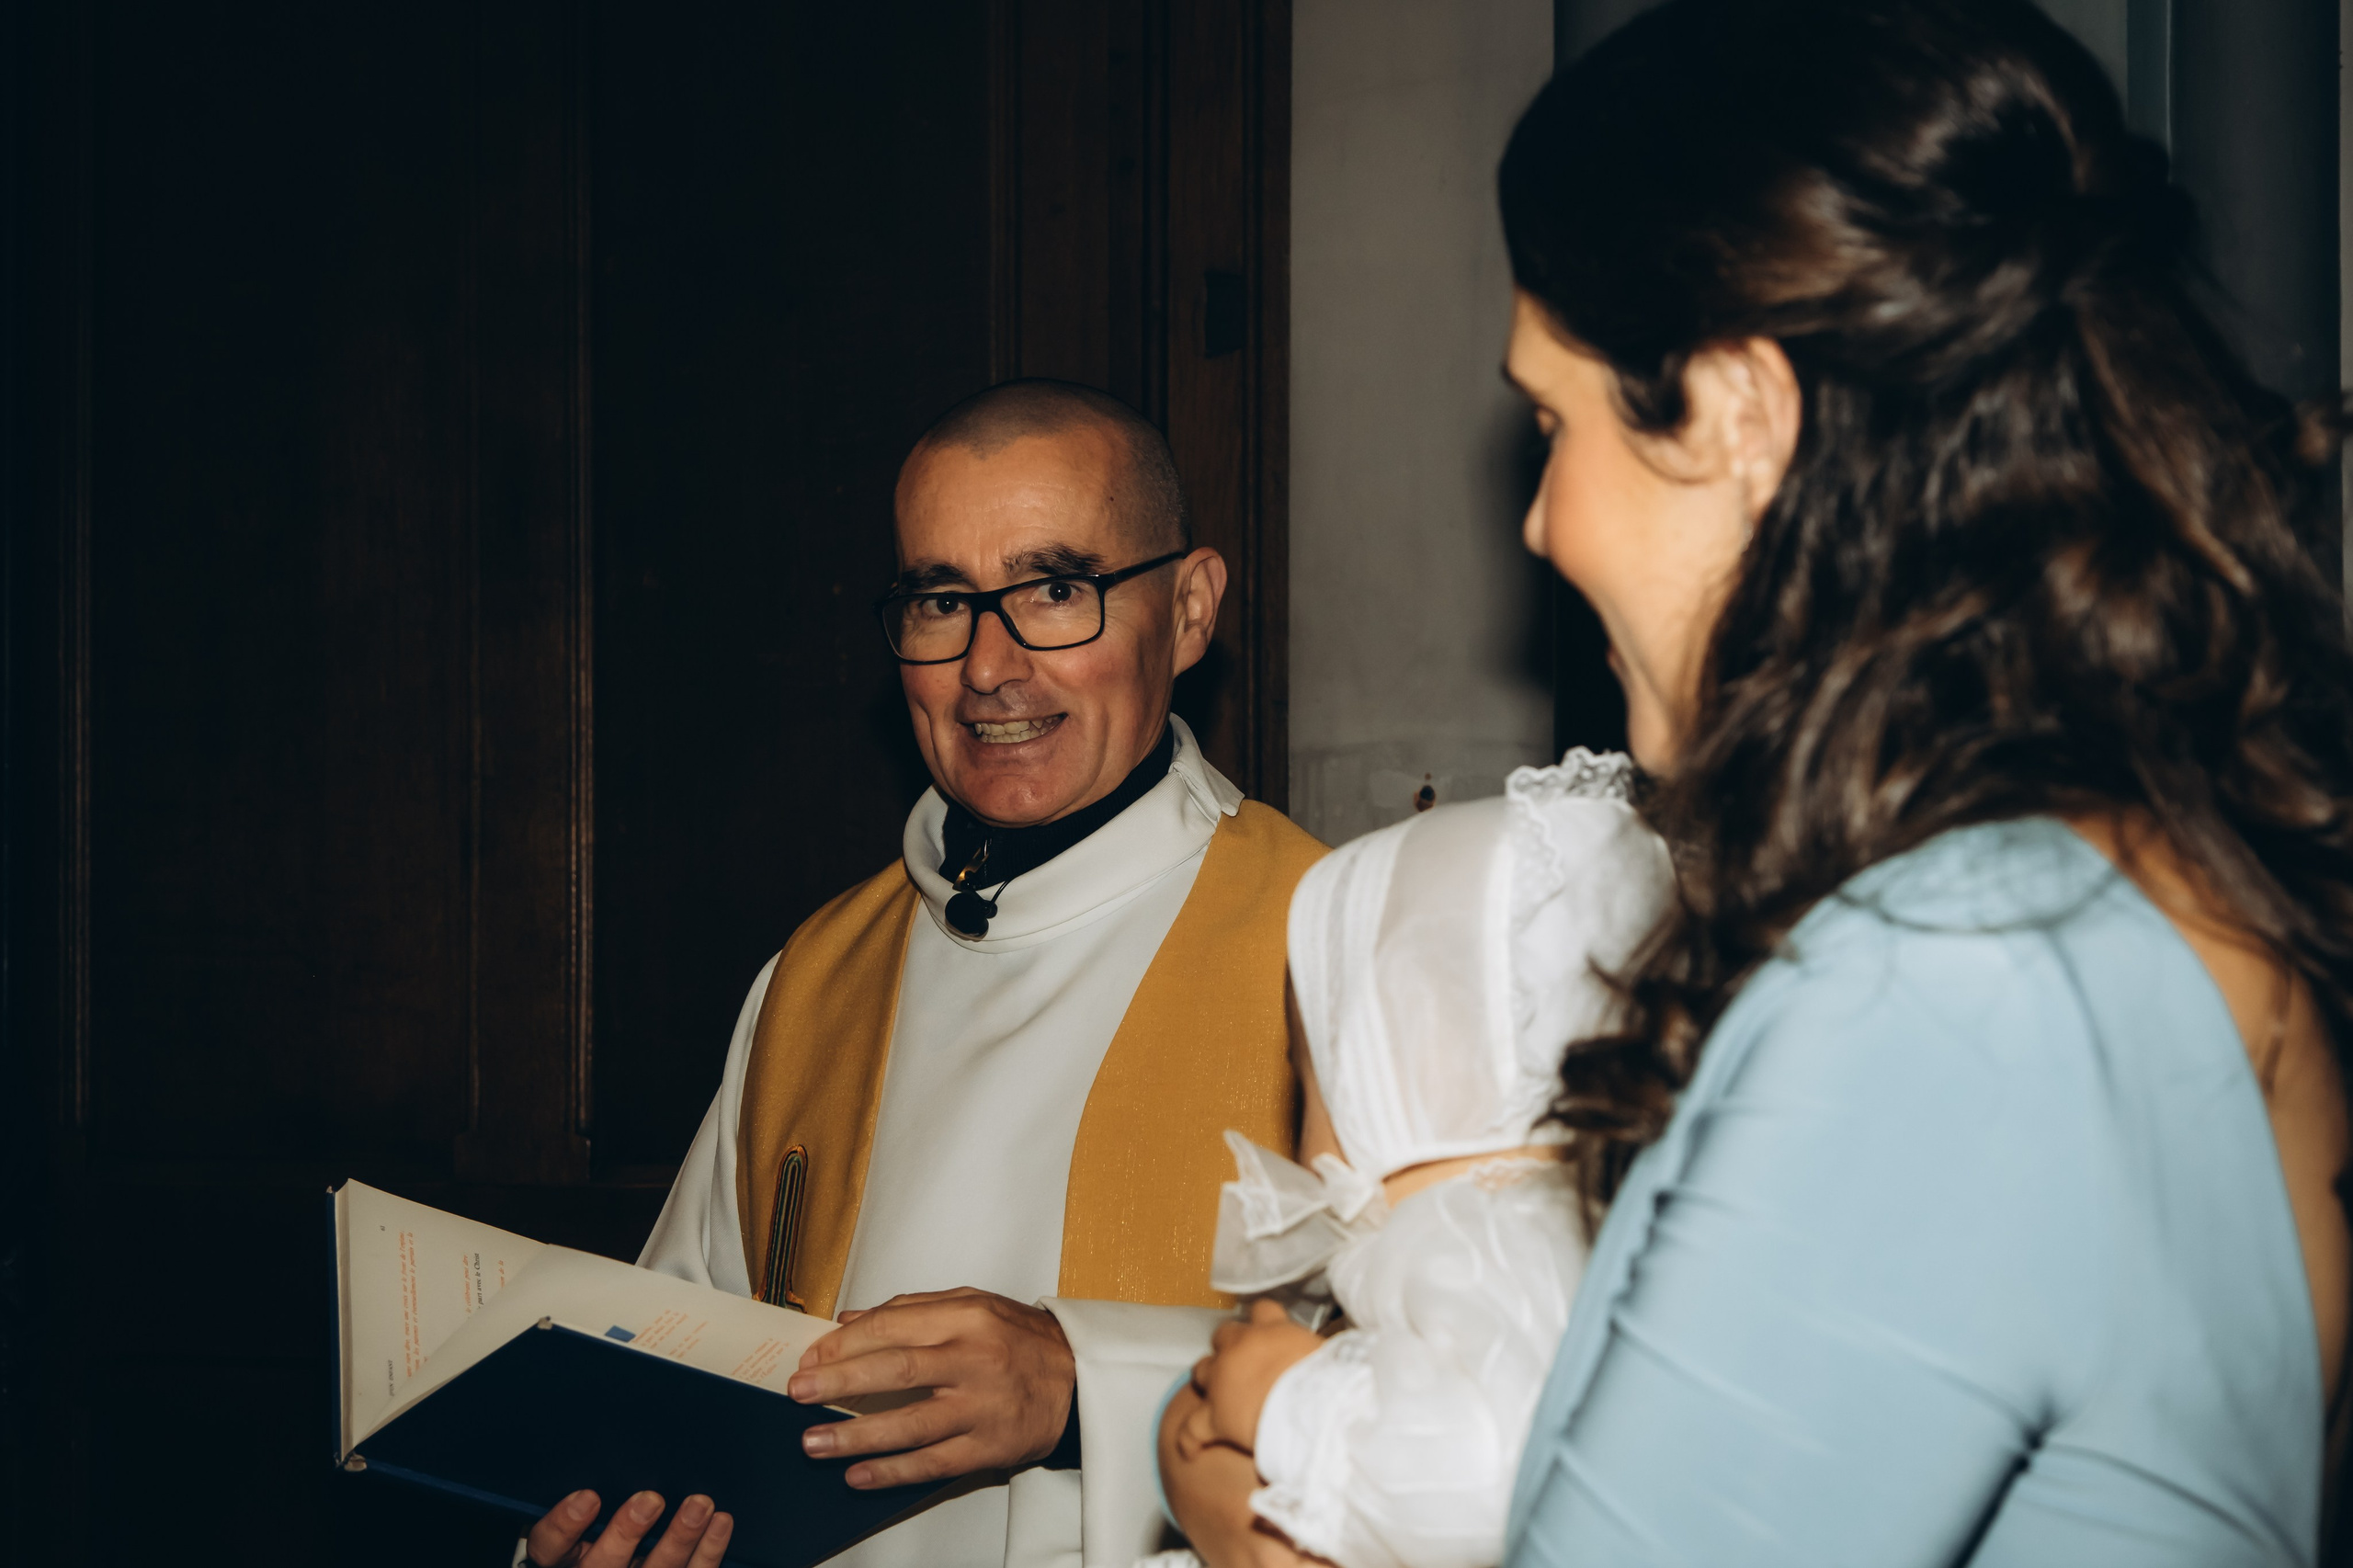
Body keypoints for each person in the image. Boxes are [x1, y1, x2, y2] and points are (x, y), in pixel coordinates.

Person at [1490, 1, 2353, 1563]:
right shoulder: (2155, 871)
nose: (1542, 522)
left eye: (1553, 422)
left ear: (1740, 413)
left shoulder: (1959, 986)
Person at [520, 379, 1326, 1568]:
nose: (990, 667)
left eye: (1056, 589)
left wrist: (1080, 1383)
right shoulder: (816, 977)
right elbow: (674, 1368)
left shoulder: (1335, 942)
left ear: (1192, 607)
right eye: (944, 600)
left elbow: (1461, 1397)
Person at [1153, 749, 1673, 1568]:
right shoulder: (1562, 1229)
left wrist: (1291, 1403)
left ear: (1401, 1066)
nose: (1299, 1107)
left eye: (1308, 1066)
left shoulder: (1481, 1238)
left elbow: (1496, 1475)